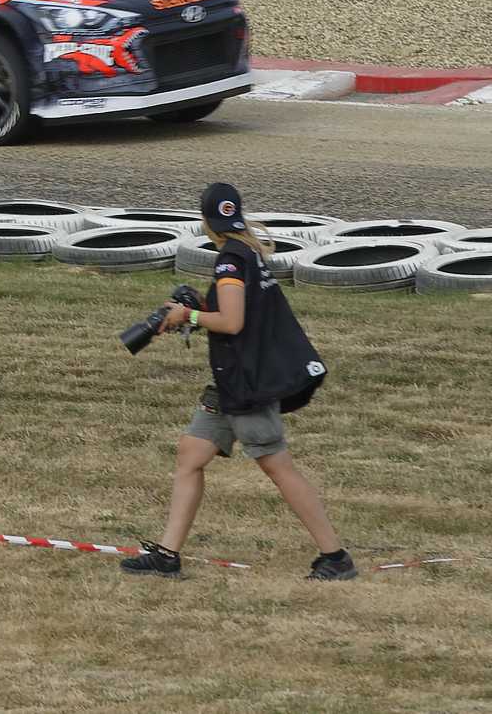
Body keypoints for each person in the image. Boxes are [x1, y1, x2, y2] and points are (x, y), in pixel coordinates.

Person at [121, 181, 355, 581]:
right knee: (190, 456)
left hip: (247, 384)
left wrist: (188, 317)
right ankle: (166, 555)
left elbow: (233, 321)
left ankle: (335, 556)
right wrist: (199, 305)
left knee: (279, 468)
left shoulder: (230, 260)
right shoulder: (247, 252)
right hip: (229, 384)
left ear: (206, 222)